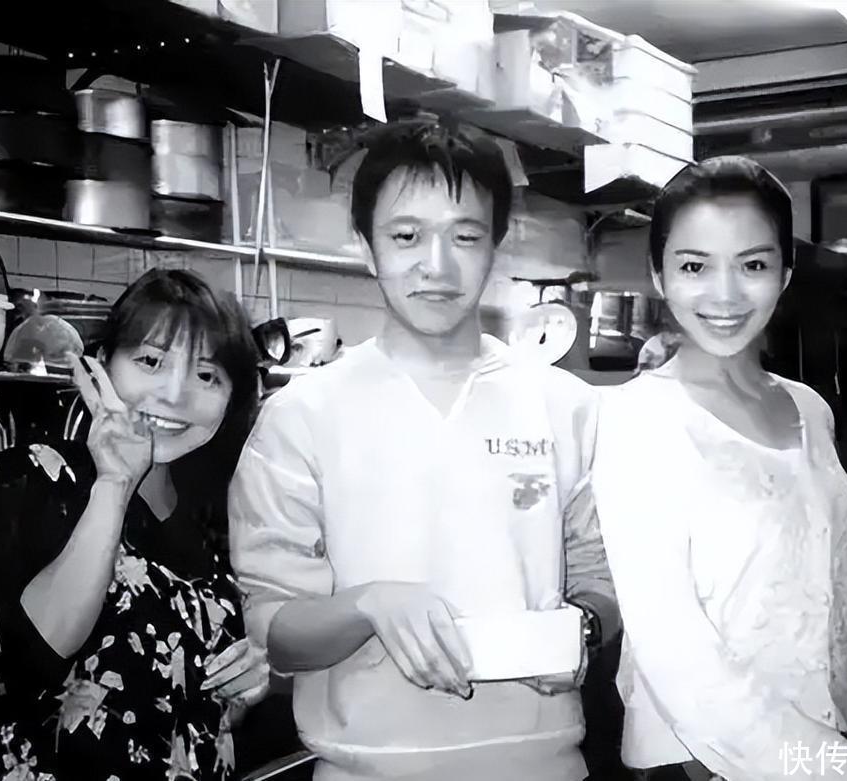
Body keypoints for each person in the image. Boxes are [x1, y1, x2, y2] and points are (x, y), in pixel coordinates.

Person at [228, 120, 620, 781]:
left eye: (465, 236)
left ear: (495, 245)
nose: (436, 265)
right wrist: (368, 603)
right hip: (364, 770)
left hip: (544, 765)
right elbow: (275, 631)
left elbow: (605, 581)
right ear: (366, 246)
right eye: (406, 236)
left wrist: (581, 630)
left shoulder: (567, 406)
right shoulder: (301, 416)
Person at [590, 157, 847, 781]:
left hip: (822, 748)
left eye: (752, 264)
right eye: (695, 266)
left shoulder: (809, 410)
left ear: (784, 274)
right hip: (707, 765)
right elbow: (678, 660)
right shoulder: (638, 420)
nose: (725, 295)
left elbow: (818, 628)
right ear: (658, 275)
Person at [0, 268, 270, 780]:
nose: (175, 394)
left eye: (207, 376)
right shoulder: (39, 474)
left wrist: (246, 684)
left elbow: (199, 707)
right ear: (101, 365)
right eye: (151, 361)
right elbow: (37, 656)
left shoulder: (218, 511)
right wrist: (115, 484)